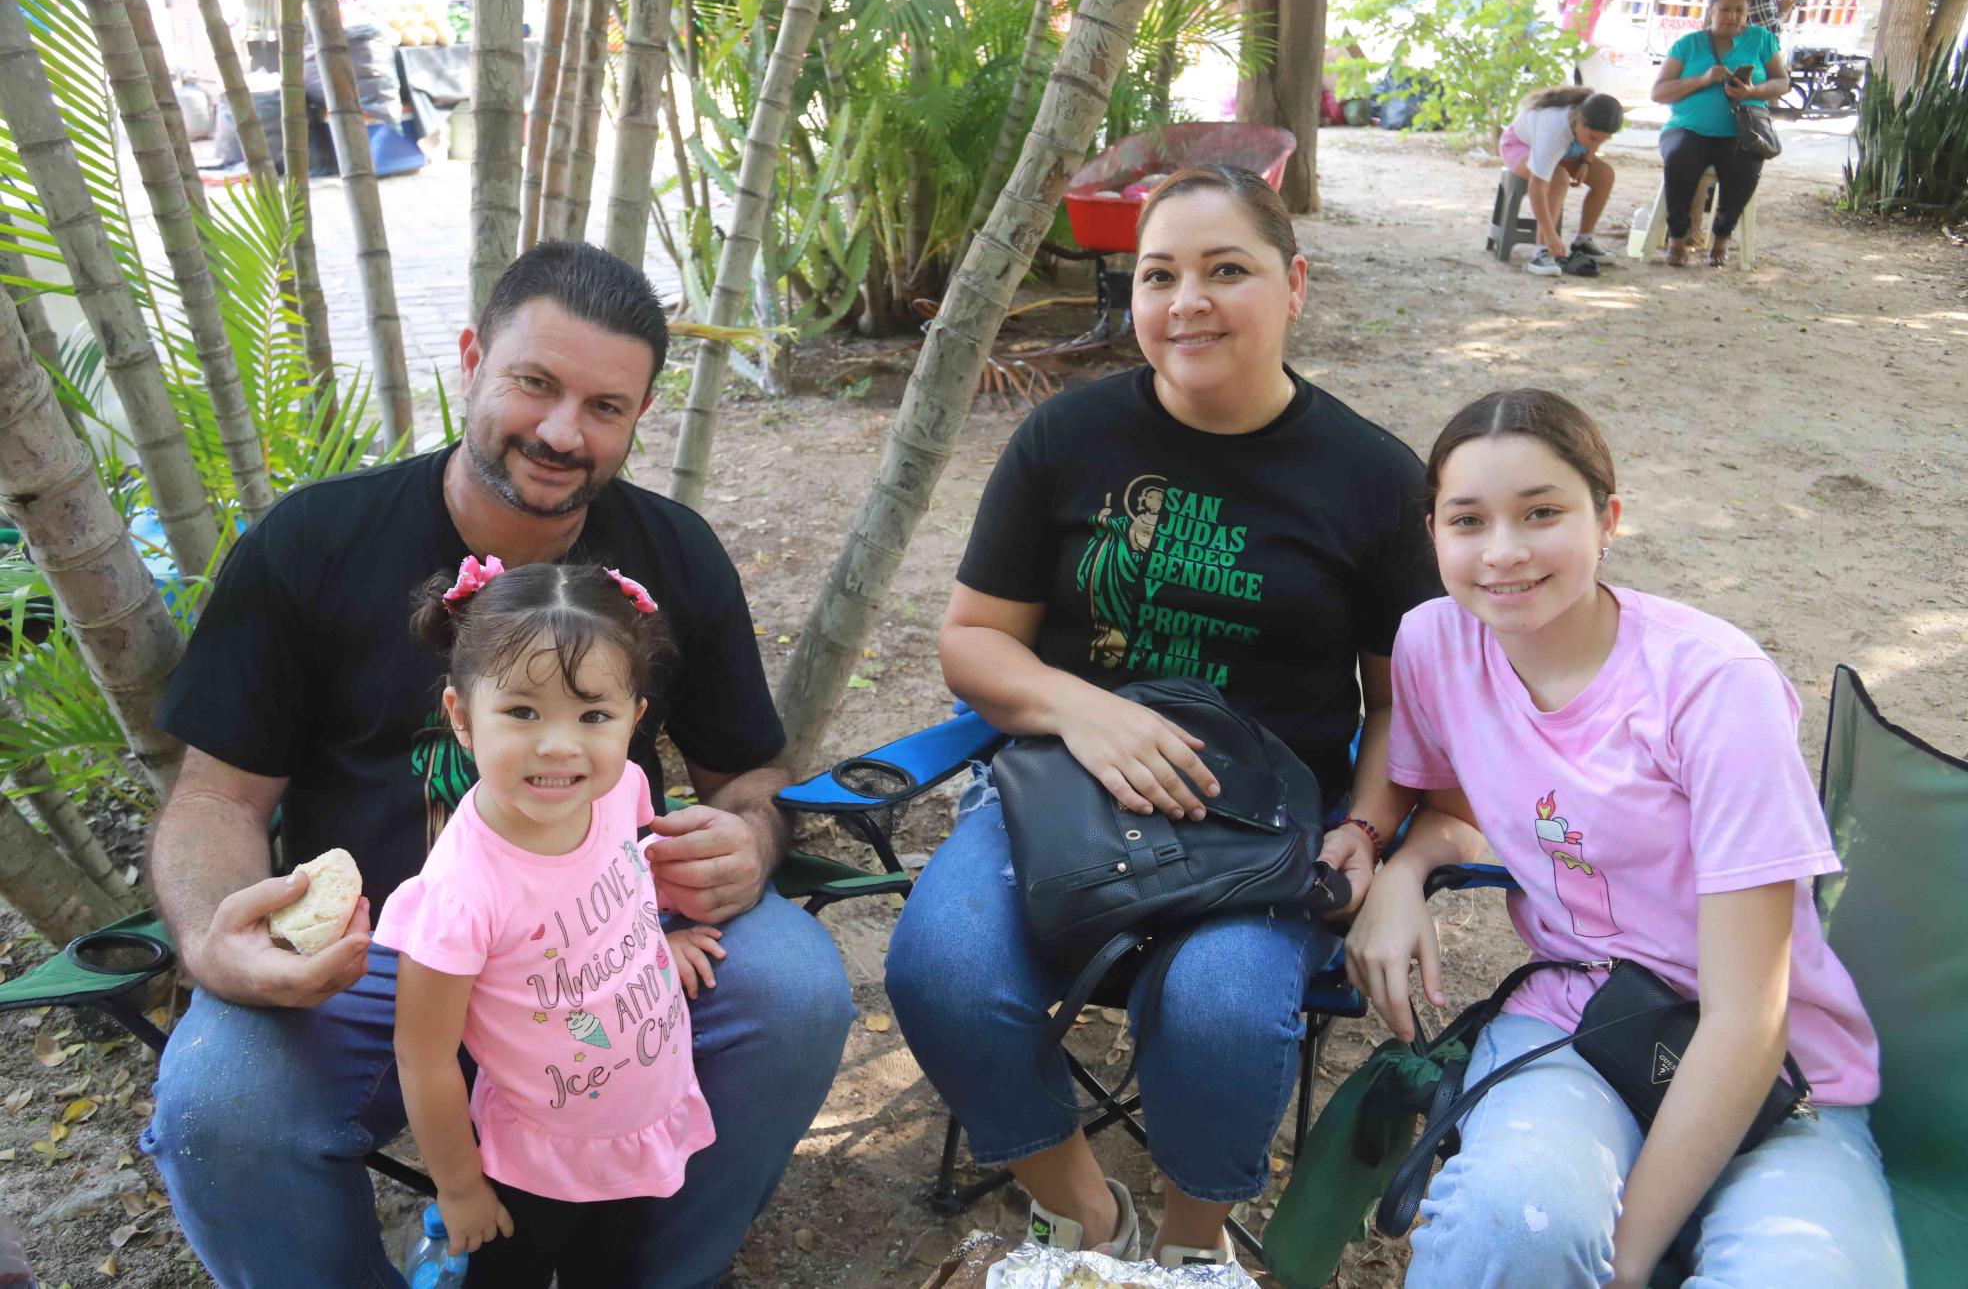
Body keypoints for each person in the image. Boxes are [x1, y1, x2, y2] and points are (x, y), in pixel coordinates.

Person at [140, 241, 853, 1287]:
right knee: (220, 1107)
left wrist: (748, 838)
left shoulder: (675, 553)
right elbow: (214, 795)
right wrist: (212, 937)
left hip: (603, 939)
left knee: (797, 992)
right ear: (473, 357)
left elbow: (751, 775)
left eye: (605, 406)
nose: (565, 431)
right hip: (378, 953)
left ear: (639, 416)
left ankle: (657, 1271)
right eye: (535, 382)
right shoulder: (312, 544)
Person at [883, 165, 1442, 1269]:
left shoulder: (1372, 479)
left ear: (1293, 285)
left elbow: (1402, 704)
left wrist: (1371, 831)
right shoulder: (1065, 438)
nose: (1185, 299)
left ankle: (1192, 1250)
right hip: (1061, 796)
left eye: (1224, 269)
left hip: (1261, 820)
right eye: (1157, 274)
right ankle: (1086, 1220)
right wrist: (1085, 713)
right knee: (941, 968)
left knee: (1222, 1012)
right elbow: (974, 639)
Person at [1345, 389, 1907, 1288]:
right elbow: (1463, 807)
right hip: (1576, 1025)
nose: (1504, 552)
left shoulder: (1714, 687)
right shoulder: (1435, 644)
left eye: (1542, 512)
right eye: (1468, 520)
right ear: (1433, 534)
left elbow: (1746, 1018)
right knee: (1508, 1225)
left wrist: (1629, 1256)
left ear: (1607, 519)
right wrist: (1404, 866)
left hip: (1776, 1068)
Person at [377, 559, 729, 1282]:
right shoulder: (462, 891)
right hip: (532, 1163)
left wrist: (659, 934)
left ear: (633, 721)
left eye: (592, 714)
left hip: (640, 1125)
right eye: (523, 711)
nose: (559, 744)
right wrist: (460, 1186)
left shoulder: (620, 788)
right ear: (462, 717)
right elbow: (424, 1056)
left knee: (615, 1264)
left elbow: (622, 875)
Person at [1650, 0, 1789, 267]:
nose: (1733, 17)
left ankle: (1722, 237)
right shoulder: (1689, 44)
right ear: (1711, 10)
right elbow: (1658, 93)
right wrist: (1702, 80)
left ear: (1747, 11)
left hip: (1741, 130)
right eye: (1725, 9)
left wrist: (1753, 91)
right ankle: (1677, 237)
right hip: (1687, 127)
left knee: (1746, 167)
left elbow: (1781, 83)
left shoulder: (1762, 39)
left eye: (1739, 10)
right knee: (1680, 160)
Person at [1498, 87, 1624, 276]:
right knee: (1558, 177)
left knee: (1605, 176)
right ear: (1579, 120)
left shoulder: (1591, 116)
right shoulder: (1553, 129)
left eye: (1601, 140)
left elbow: (1594, 140)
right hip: (1520, 146)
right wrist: (1550, 233)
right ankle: (1541, 252)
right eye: (1592, 138)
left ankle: (1583, 241)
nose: (1594, 144)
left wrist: (1586, 162)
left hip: (1565, 149)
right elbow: (1537, 185)